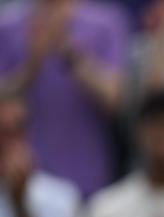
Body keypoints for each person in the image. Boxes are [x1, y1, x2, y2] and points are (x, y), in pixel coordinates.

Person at [0, 0, 130, 198]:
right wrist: (31, 67)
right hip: (26, 178)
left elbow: (114, 99)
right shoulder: (7, 25)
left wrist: (68, 51)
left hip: (89, 177)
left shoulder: (106, 22)